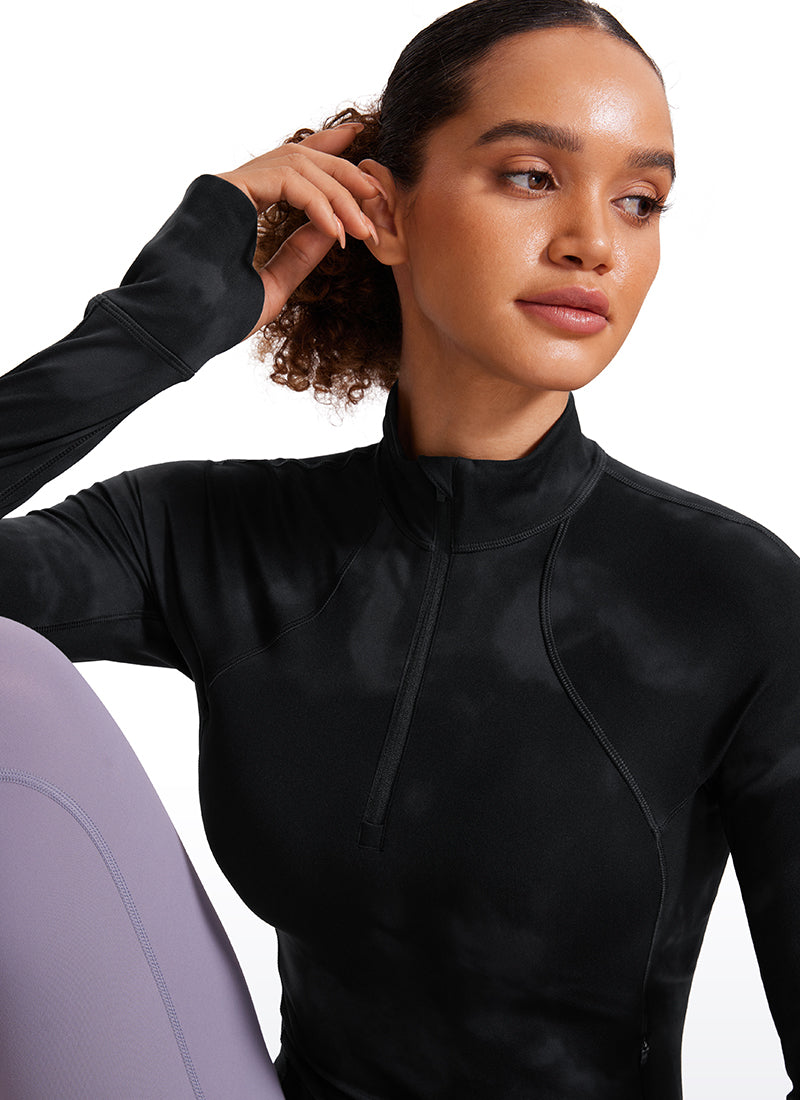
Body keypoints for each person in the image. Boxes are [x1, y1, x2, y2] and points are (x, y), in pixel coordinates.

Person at [0, 1, 797, 1098]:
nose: (594, 242)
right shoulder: (209, 536)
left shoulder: (731, 595)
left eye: (639, 200)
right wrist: (153, 326)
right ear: (382, 209)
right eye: (531, 176)